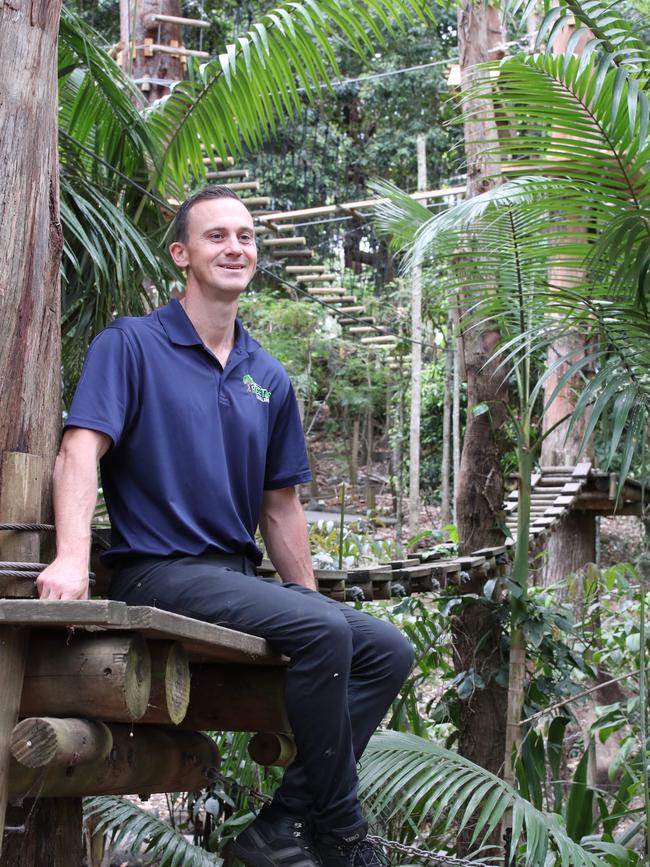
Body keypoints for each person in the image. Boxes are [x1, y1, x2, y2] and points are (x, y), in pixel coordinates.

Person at [37, 186, 414, 867]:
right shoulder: (131, 344)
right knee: (327, 629)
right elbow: (79, 450)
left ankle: (285, 823)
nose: (235, 246)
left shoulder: (266, 373)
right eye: (217, 236)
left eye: (245, 235)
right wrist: (69, 557)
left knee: (387, 648)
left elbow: (281, 507)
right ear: (182, 254)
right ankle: (343, 834)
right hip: (159, 572)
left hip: (236, 577)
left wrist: (306, 594)